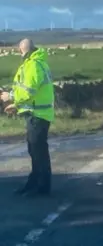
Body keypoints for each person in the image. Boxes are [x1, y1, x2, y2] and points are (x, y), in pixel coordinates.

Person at [0, 39, 54, 197]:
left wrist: (8, 96)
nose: (19, 54)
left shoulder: (33, 65)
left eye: (20, 51)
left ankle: (41, 187)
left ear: (23, 50)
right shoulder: (38, 63)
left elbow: (28, 91)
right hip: (37, 113)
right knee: (35, 150)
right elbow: (32, 93)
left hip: (38, 115)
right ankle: (35, 183)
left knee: (38, 152)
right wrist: (16, 106)